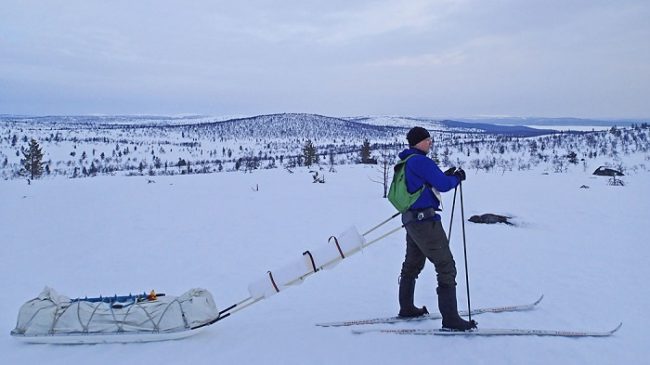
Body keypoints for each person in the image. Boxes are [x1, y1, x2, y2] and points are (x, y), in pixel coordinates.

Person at [396, 126, 477, 331]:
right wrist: (457, 178)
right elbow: (442, 184)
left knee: (412, 264)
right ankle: (450, 319)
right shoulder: (421, 161)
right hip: (425, 223)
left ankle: (406, 308)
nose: (430, 142)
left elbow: (429, 181)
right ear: (419, 141)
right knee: (445, 265)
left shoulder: (407, 160)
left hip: (411, 221)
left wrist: (446, 176)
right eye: (428, 139)